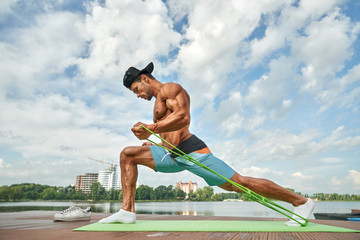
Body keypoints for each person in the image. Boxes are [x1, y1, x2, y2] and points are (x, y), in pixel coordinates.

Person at [98, 62, 314, 226]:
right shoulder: (157, 103)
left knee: (240, 183)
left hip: (192, 151)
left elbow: (183, 118)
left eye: (136, 89)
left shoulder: (170, 90)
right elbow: (168, 131)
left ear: (144, 78)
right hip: (171, 155)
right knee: (128, 154)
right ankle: (127, 211)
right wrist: (153, 144)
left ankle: (301, 203)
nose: (138, 95)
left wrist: (151, 129)